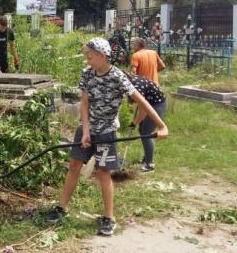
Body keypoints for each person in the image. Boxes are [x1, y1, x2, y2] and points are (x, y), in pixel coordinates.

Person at [45, 38, 168, 236]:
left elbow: (142, 101)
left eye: (90, 57)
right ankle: (62, 208)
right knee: (74, 165)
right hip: (87, 128)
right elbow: (84, 104)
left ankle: (109, 218)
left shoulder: (118, 77)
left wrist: (162, 125)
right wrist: (85, 131)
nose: (88, 61)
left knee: (103, 173)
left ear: (103, 56)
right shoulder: (87, 74)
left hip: (107, 132)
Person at [124, 72, 167, 173]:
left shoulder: (137, 86)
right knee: (142, 130)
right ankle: (147, 157)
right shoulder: (132, 80)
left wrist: (135, 122)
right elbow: (141, 102)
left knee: (146, 133)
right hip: (150, 103)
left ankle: (149, 164)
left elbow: (143, 110)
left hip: (157, 105)